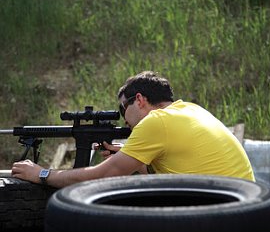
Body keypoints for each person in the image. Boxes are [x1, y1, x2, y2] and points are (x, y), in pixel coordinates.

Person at [11, 71, 255, 188]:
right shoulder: (191, 110)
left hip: (219, 220)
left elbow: (101, 176)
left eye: (122, 109)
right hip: (244, 212)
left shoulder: (156, 121)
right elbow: (177, 176)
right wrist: (139, 162)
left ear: (139, 100)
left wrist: (43, 174)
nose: (125, 120)